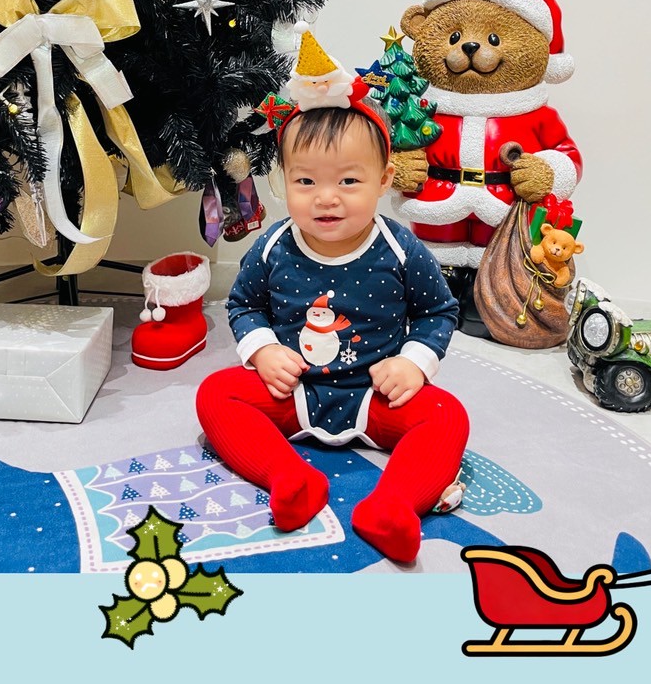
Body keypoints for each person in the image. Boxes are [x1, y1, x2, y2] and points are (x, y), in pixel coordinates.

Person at [195, 32, 468, 564]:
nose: (326, 198)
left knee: (447, 416)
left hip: (377, 394)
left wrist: (413, 364)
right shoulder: (272, 245)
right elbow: (244, 304)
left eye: (348, 181)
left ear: (383, 179)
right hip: (293, 392)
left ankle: (392, 505)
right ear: (283, 181)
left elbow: (438, 311)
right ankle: (290, 478)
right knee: (214, 395)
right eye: (305, 181)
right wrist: (263, 351)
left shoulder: (400, 247)